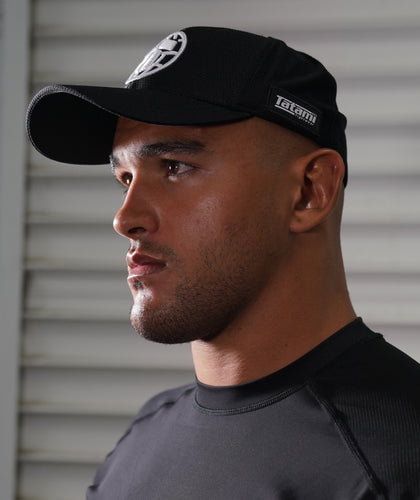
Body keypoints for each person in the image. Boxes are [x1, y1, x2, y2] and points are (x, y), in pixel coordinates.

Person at [27, 26, 419, 500]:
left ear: (309, 192)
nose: (124, 218)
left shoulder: (396, 461)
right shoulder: (144, 438)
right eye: (125, 178)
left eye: (175, 166)